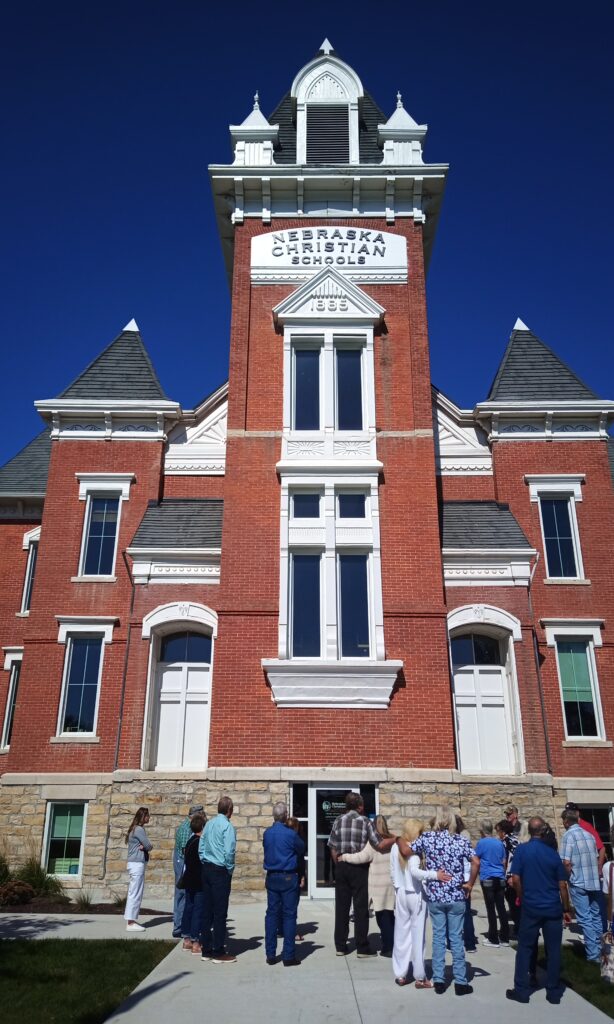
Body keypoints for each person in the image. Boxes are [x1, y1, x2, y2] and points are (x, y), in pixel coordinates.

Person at [400, 805, 479, 996]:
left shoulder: (426, 839)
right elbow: (476, 862)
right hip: (456, 896)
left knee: (438, 938)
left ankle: (439, 980)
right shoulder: (461, 840)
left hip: (436, 896)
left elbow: (406, 850)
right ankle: (460, 982)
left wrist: (397, 838)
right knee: (456, 938)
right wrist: (469, 883)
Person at [506, 816, 571, 1004]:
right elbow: (562, 884)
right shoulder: (552, 853)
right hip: (551, 907)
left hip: (531, 906)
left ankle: (521, 990)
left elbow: (516, 878)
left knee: (525, 948)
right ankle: (553, 991)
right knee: (553, 950)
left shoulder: (522, 851)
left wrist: (521, 896)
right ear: (543, 831)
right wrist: (566, 908)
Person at [327, 792, 396, 957]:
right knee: (360, 908)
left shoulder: (338, 820)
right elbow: (378, 844)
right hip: (359, 867)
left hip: (342, 865)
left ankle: (341, 946)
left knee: (342, 907)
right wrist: (397, 839)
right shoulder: (365, 821)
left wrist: (339, 863)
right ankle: (362, 947)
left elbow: (332, 845)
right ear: (360, 806)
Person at [390, 818, 451, 988]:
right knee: (418, 937)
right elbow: (416, 872)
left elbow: (392, 872)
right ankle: (420, 976)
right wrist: (435, 875)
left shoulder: (396, 847)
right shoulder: (414, 851)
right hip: (415, 894)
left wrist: (397, 888)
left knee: (401, 935)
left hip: (401, 893)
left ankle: (401, 974)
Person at [263, 801, 305, 967]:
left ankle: (270, 954)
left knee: (272, 914)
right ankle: (288, 955)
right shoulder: (290, 834)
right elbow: (301, 849)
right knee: (289, 916)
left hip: (272, 876)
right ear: (285, 816)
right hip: (287, 876)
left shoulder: (267, 833)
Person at [559, 807, 602, 963]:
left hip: (579, 882)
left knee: (585, 919)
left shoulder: (568, 836)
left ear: (566, 821)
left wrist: (567, 877)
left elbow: (566, 862)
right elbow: (597, 855)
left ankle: (593, 954)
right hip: (594, 881)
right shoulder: (589, 835)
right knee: (596, 916)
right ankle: (601, 948)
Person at [198, 795, 237, 963]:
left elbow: (201, 846)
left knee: (207, 910)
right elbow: (229, 852)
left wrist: (204, 860)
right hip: (220, 870)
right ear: (229, 810)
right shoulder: (227, 827)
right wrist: (229, 869)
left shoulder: (209, 824)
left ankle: (206, 948)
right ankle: (218, 951)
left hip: (206, 868)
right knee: (220, 912)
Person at [563, 802, 607, 930]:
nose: (568, 815)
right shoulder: (570, 831)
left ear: (577, 813)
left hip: (590, 876)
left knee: (595, 911)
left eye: (571, 812)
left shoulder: (585, 827)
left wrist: (599, 868)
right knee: (590, 913)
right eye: (567, 812)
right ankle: (596, 940)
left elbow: (602, 848)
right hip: (582, 876)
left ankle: (602, 934)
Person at [173, 802, 205, 938]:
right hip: (182, 863)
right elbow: (187, 852)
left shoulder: (186, 825)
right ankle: (179, 927)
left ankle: (181, 926)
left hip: (182, 861)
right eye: (202, 814)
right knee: (183, 895)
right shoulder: (187, 829)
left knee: (184, 896)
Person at [475, 819, 509, 947]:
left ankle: (493, 938)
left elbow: (476, 859)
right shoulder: (499, 843)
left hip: (487, 877)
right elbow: (504, 861)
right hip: (500, 877)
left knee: (490, 908)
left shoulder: (481, 843)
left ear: (482, 831)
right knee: (501, 907)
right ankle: (505, 937)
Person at [180, 812, 206, 955]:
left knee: (188, 908)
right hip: (198, 880)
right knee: (198, 910)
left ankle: (186, 939)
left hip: (189, 879)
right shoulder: (199, 842)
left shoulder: (190, 841)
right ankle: (196, 942)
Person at [124, 806, 152, 932]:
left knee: (133, 892)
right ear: (142, 817)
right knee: (135, 893)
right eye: (147, 815)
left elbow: (144, 845)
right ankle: (131, 923)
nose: (149, 817)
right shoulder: (139, 829)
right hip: (137, 864)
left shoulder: (134, 829)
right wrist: (145, 846)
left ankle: (131, 920)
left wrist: (144, 846)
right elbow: (149, 846)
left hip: (134, 864)